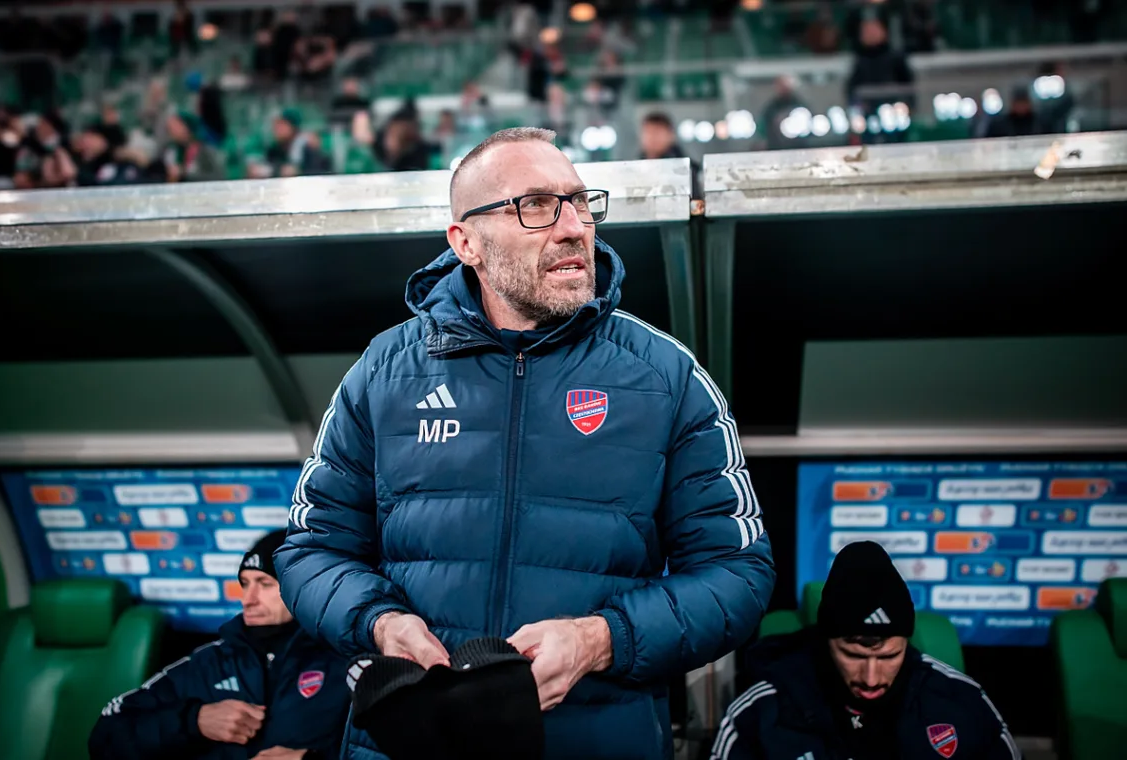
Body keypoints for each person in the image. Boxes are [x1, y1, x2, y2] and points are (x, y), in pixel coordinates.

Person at [276, 127, 775, 760]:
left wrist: (601, 640)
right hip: (409, 742)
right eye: (535, 205)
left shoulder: (666, 377)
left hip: (595, 743)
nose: (573, 228)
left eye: (579, 202)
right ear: (466, 243)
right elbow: (312, 550)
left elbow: (739, 573)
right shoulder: (385, 372)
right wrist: (379, 623)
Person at [712, 541, 1019, 760]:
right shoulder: (762, 712)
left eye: (889, 656)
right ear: (826, 641)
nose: (871, 678)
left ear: (906, 644)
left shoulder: (962, 702)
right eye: (854, 655)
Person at [89, 530, 349, 760]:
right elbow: (105, 737)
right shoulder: (210, 662)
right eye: (245, 584)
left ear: (304, 589)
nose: (248, 599)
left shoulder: (347, 662)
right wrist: (194, 721)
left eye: (265, 584)